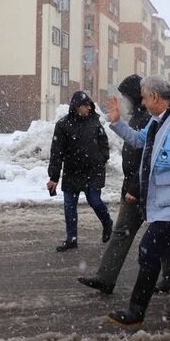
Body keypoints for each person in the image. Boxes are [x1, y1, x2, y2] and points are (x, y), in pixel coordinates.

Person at [105, 75, 170, 325]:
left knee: (148, 251)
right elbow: (139, 141)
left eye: (142, 96)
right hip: (161, 202)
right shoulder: (157, 121)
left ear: (154, 97)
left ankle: (136, 311)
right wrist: (117, 123)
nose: (140, 101)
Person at [77, 75, 150, 294]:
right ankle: (105, 278)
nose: (124, 100)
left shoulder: (149, 119)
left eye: (126, 96)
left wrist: (136, 187)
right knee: (122, 233)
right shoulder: (138, 117)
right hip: (131, 185)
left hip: (143, 188)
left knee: (164, 236)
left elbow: (148, 157)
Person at [47, 91, 113, 252]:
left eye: (89, 105)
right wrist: (54, 177)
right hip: (72, 171)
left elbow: (104, 143)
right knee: (69, 206)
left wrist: (102, 158)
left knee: (95, 201)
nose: (88, 109)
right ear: (76, 107)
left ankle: (107, 223)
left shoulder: (95, 122)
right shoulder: (63, 125)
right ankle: (72, 239)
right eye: (85, 106)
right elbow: (57, 152)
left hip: (93, 170)